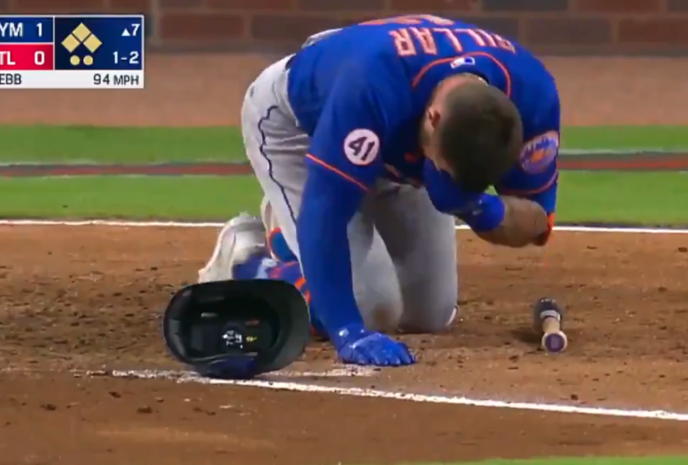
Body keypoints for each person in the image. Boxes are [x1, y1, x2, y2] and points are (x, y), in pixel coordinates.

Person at [198, 15, 560, 367]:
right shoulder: (372, 86)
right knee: (371, 307)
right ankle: (247, 260)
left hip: (395, 148)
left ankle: (297, 231)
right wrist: (348, 330)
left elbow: (536, 222)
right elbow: (326, 213)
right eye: (445, 172)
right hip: (301, 128)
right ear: (433, 119)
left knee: (429, 313)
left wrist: (479, 206)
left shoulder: (535, 98)